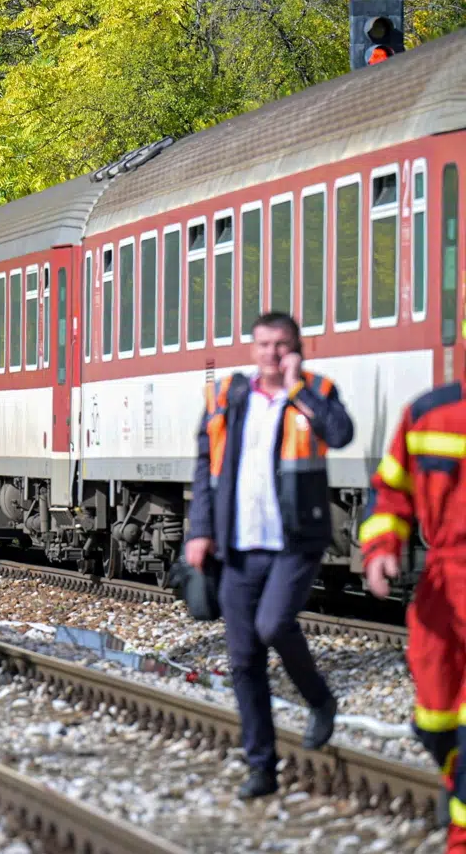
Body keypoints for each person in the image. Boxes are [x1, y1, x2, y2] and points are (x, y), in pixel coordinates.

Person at [185, 311, 354, 799]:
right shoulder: (228, 398)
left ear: (296, 348)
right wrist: (200, 530)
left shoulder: (316, 392)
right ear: (253, 348)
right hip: (238, 545)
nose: (272, 353)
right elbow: (204, 465)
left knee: (273, 624)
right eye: (264, 344)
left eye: (282, 345)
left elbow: (340, 435)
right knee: (243, 662)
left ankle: (321, 700)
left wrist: (298, 387)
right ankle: (261, 767)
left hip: (294, 542)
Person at [361, 380, 466, 845]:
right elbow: (390, 491)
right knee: (435, 720)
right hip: (442, 594)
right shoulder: (428, 414)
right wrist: (382, 546)